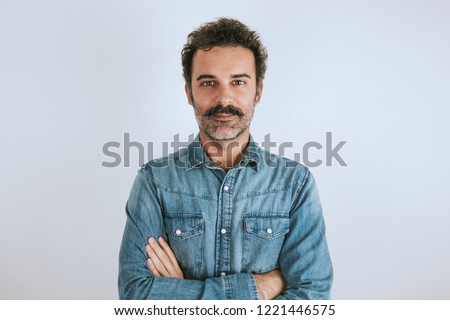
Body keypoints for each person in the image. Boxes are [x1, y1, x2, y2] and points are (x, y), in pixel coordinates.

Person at [119, 17, 333, 300]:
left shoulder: (295, 184)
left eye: (238, 82)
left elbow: (312, 300)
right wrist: (259, 287)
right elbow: (136, 296)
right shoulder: (154, 181)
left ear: (258, 91)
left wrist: (181, 293)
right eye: (208, 82)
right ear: (189, 92)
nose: (224, 98)